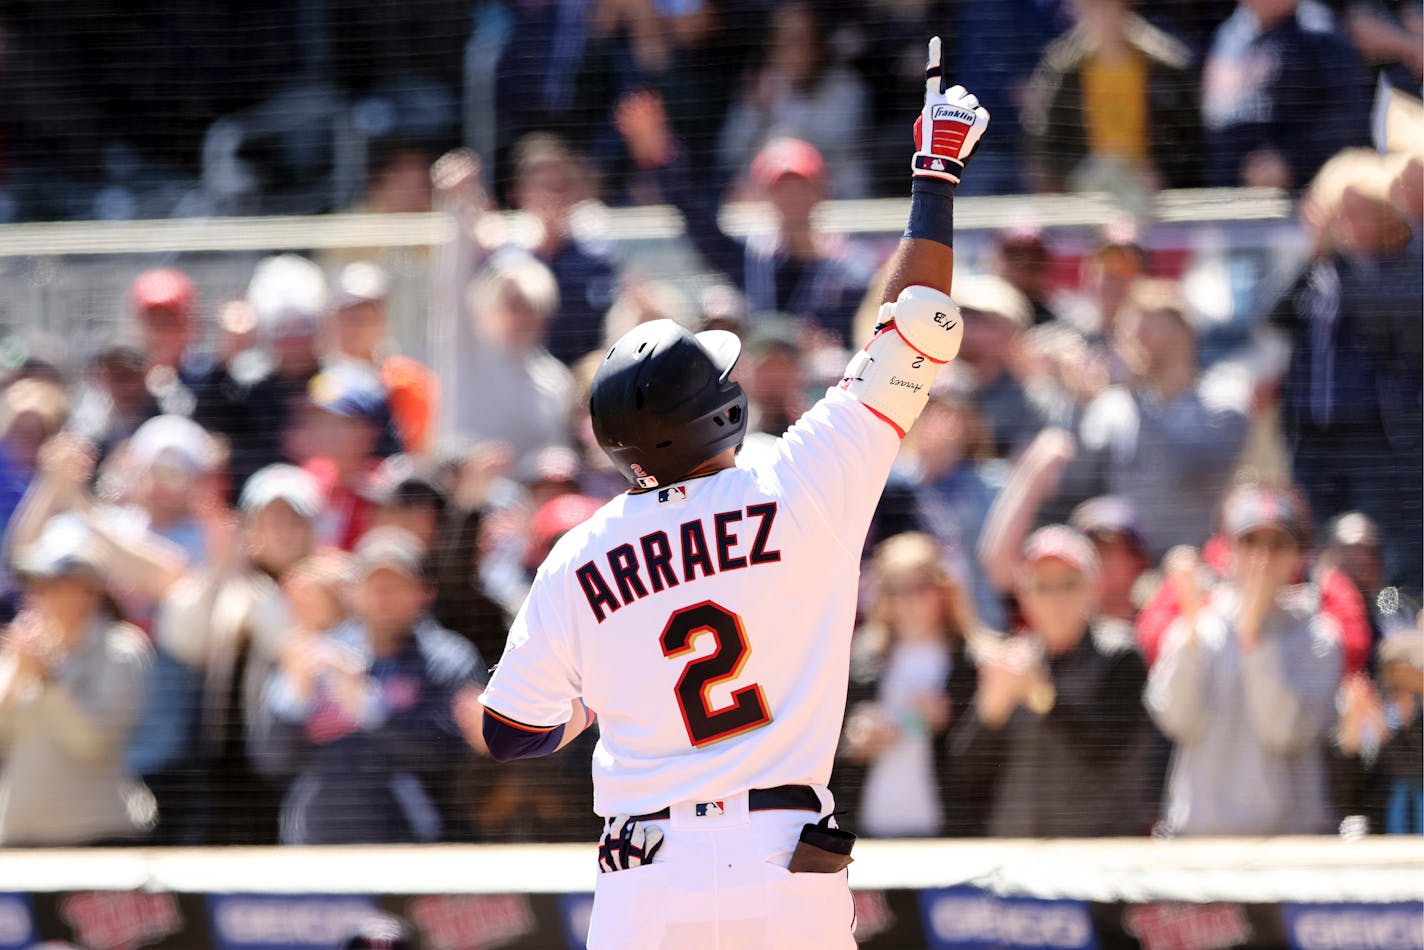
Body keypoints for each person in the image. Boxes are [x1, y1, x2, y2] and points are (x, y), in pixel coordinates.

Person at [477, 39, 987, 948]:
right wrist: (934, 177)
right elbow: (908, 331)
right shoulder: (802, 477)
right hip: (783, 867)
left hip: (643, 880)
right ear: (721, 410)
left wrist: (602, 697)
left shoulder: (578, 552)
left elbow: (513, 732)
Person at [249, 526, 488, 845]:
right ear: (353, 592)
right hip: (317, 842)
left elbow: (444, 755)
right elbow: (272, 761)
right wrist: (295, 698)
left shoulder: (450, 659)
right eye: (373, 585)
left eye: (395, 586)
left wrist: (366, 705)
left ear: (424, 592)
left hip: (415, 847)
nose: (382, 598)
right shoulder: (321, 651)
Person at [1266, 149, 1423, 595]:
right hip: (1314, 436)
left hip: (1375, 437)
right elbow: (1274, 316)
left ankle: (1393, 630)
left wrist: (1346, 258)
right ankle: (1332, 626)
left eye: (1358, 210)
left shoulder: (1402, 265)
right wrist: (1311, 258)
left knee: (1383, 546)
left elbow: (1385, 318)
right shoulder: (1320, 271)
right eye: (1341, 211)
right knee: (1317, 542)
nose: (1347, 222)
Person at [1146, 486, 1341, 836]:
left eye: (1277, 544)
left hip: (1289, 849)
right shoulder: (1198, 623)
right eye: (1251, 542)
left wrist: (1253, 639)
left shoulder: (1319, 635)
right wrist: (1190, 629)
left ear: (1298, 554)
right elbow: (1175, 718)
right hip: (1202, 844)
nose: (1263, 558)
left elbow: (1283, 731)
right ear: (1228, 550)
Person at [951, 525, 1162, 837]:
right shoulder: (1012, 659)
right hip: (1016, 862)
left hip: (1099, 861)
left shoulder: (1120, 654)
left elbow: (1106, 750)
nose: (1055, 599)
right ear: (1023, 594)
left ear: (1093, 588)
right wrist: (989, 715)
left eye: (1068, 584)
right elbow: (964, 775)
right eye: (1042, 586)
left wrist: (1041, 695)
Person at [617, 94, 874, 345]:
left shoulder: (850, 269)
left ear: (822, 192)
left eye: (801, 186)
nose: (792, 198)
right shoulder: (754, 261)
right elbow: (697, 223)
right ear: (765, 197)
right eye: (780, 189)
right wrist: (662, 158)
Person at [0, 514, 154, 845]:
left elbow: (92, 744)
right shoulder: (21, 650)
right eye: (34, 581)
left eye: (51, 581)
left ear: (88, 588)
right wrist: (15, 676)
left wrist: (47, 681)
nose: (37, 594)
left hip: (101, 839)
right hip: (20, 837)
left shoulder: (122, 650)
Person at [838, 532, 990, 838]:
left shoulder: (973, 662)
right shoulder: (861, 658)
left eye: (919, 587)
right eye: (895, 590)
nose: (908, 601)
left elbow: (989, 762)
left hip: (947, 831)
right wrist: (855, 741)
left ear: (944, 588)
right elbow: (833, 750)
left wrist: (952, 724)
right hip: (869, 827)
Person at [1022, 0, 1201, 194]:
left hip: (1153, 196)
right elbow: (1043, 145)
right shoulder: (1062, 69)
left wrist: (1162, 173)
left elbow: (1190, 141)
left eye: (1111, 6)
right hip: (1085, 197)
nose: (1105, 17)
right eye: (1094, 8)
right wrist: (1076, 175)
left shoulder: (1167, 66)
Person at [1200, 0, 1370, 189]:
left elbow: (1348, 120)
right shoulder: (1228, 35)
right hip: (1229, 196)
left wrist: (1290, 160)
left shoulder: (1319, 32)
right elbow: (1217, 120)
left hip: (1301, 197)